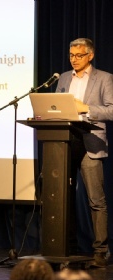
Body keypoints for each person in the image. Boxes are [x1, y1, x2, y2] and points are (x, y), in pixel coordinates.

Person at [55, 38, 113, 267]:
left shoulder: (105, 78)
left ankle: (101, 251)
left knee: (96, 201)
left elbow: (111, 110)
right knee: (62, 199)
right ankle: (66, 249)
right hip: (65, 142)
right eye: (71, 55)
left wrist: (86, 108)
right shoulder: (64, 78)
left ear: (90, 56)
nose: (73, 59)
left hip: (91, 143)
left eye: (78, 55)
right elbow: (56, 107)